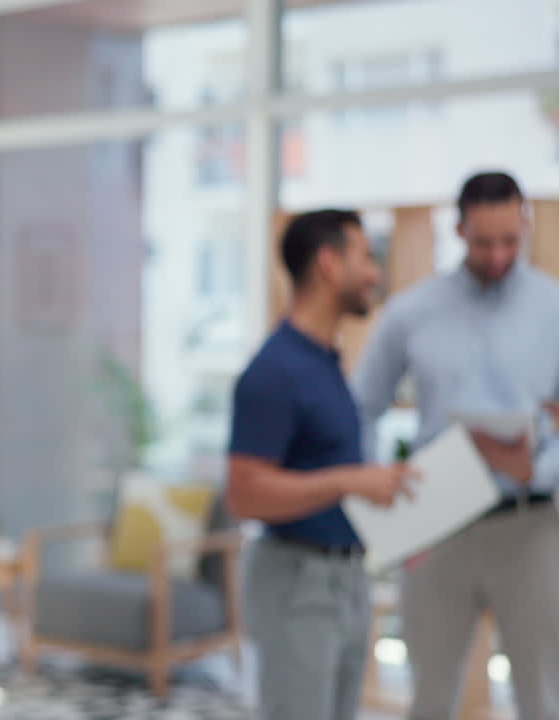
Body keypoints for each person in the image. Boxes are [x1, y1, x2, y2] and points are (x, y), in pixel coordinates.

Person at [353, 171, 559, 720]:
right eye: (482, 242)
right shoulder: (411, 311)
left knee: (543, 695)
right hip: (435, 524)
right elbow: (361, 408)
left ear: (526, 224)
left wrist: (538, 469)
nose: (496, 256)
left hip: (532, 524)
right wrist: (378, 489)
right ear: (459, 228)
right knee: (430, 695)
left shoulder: (554, 309)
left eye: (509, 241)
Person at [227, 209, 415, 720]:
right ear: (329, 265)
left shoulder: (326, 363)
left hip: (344, 578)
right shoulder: (274, 371)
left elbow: (320, 473)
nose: (375, 273)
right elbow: (244, 493)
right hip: (296, 581)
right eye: (365, 258)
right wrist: (349, 480)